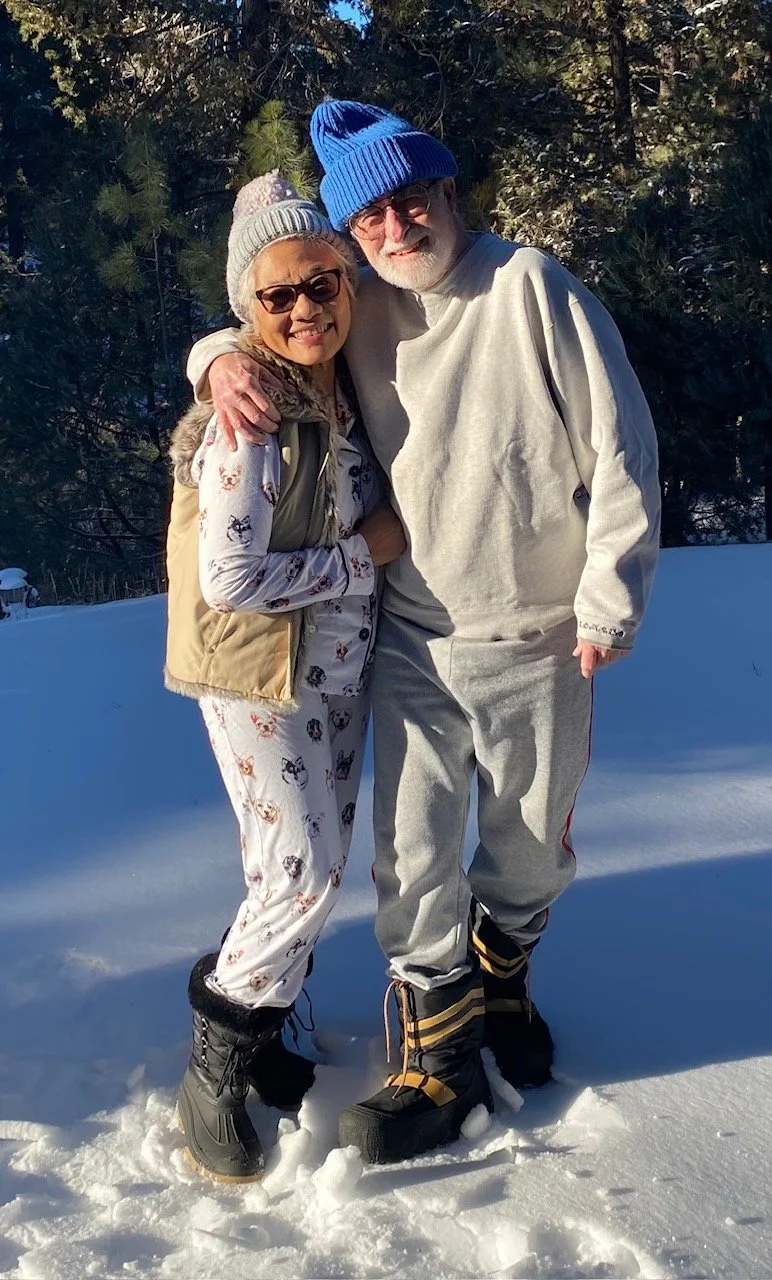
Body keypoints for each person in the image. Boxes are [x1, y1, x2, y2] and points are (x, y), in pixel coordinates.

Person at [187, 101, 661, 1166]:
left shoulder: (530, 286)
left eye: (411, 201)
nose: (396, 228)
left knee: (529, 845)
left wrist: (610, 597)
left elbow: (623, 448)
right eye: (370, 218)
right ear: (353, 239)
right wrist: (214, 357)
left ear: (449, 192)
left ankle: (504, 979)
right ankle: (435, 1056)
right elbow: (267, 316)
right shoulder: (358, 307)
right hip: (409, 633)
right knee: (409, 853)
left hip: (538, 633)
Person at [165, 169, 406, 1180]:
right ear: (248, 307)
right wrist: (365, 555)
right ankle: (212, 1070)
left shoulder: (346, 381)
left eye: (323, 282)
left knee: (299, 873)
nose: (305, 307)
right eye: (278, 294)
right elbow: (229, 582)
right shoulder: (252, 412)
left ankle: (256, 1038)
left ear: (350, 282)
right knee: (302, 873)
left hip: (334, 674)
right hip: (261, 678)